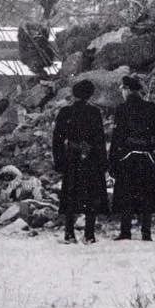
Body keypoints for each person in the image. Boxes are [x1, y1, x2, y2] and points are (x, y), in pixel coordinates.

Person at [51, 79, 109, 244]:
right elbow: (100, 140)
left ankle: (69, 233)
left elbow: (57, 140)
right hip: (91, 159)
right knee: (91, 195)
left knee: (70, 195)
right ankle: (89, 234)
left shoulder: (65, 112)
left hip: (72, 158)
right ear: (90, 95)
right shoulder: (95, 112)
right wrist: (102, 162)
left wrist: (59, 161)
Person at [108, 74, 155, 241]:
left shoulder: (122, 109)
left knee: (126, 194)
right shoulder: (151, 108)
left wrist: (113, 160)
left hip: (127, 157)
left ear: (127, 90)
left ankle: (126, 232)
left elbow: (117, 137)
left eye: (122, 89)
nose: (122, 93)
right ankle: (146, 232)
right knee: (147, 194)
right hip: (147, 156)